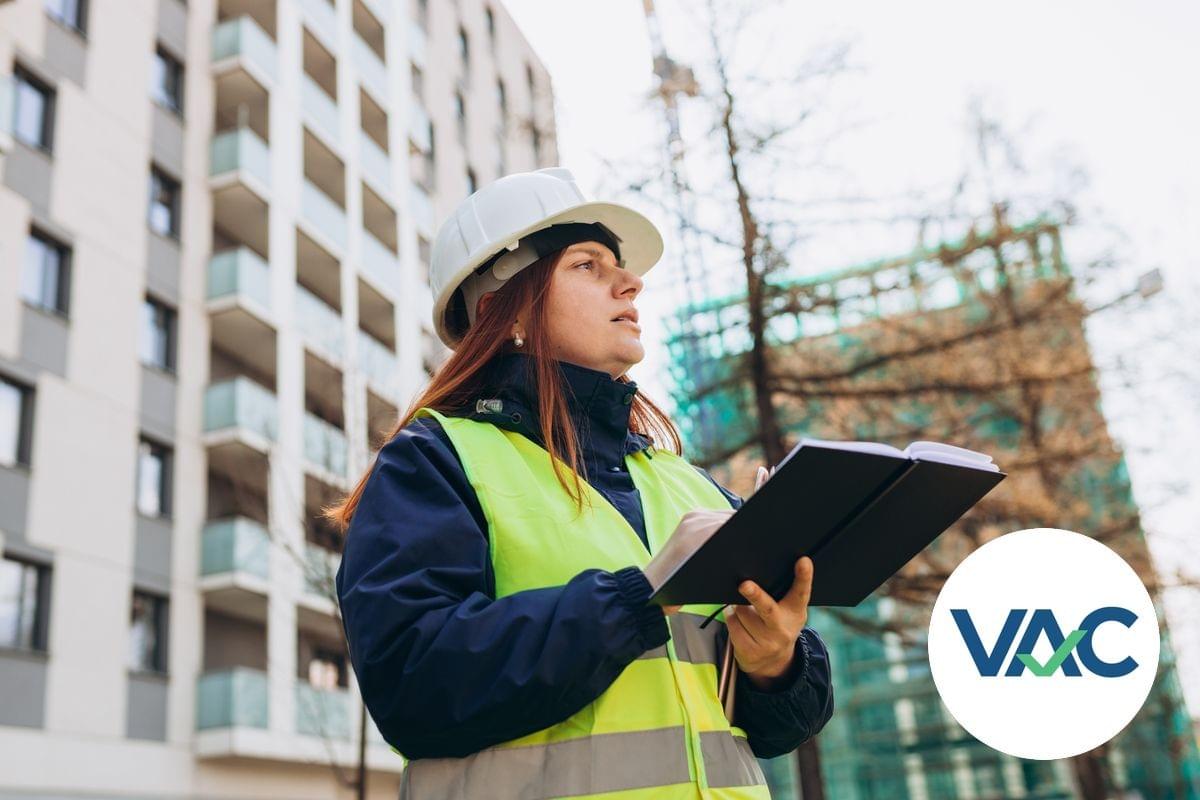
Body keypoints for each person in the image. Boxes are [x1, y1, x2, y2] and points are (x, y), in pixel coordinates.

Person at [329, 167, 834, 799]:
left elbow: (783, 725)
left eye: (617, 265)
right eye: (587, 265)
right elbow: (413, 680)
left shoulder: (688, 485)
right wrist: (639, 597)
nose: (631, 282)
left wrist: (774, 663)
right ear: (501, 309)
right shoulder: (434, 462)